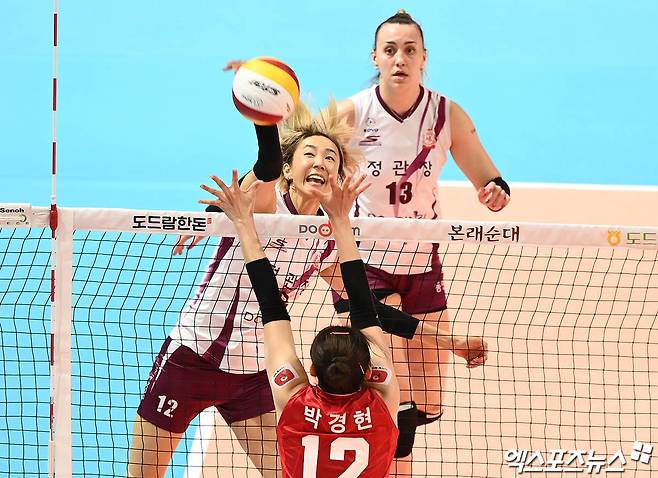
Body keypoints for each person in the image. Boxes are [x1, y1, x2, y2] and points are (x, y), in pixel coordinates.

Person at [127, 101, 360, 477]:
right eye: (310, 153)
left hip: (252, 375)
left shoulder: (326, 241)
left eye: (330, 157)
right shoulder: (266, 206)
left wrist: (442, 338)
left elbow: (363, 304)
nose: (320, 161)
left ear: (338, 177)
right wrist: (265, 108)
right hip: (192, 358)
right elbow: (267, 162)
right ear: (288, 169)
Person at [211, 168, 487, 477]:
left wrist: (242, 223)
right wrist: (341, 219)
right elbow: (357, 308)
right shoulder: (382, 402)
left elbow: (271, 304)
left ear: (312, 370)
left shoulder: (294, 400)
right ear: (369, 372)